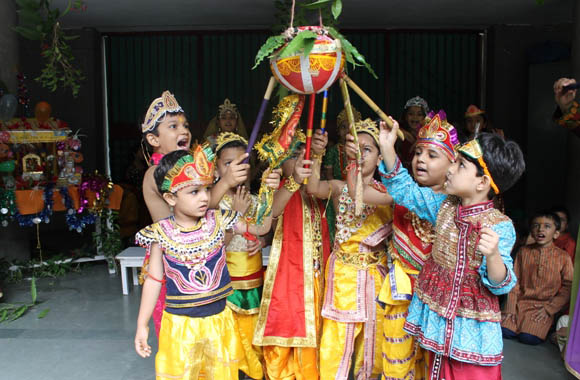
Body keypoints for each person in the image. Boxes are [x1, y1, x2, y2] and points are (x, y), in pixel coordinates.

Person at [378, 121, 525, 379]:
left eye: (460, 165)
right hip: (439, 322)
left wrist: (492, 256)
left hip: (472, 334)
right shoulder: (443, 207)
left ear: (482, 183)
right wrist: (387, 148)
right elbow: (406, 190)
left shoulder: (500, 227)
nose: (450, 169)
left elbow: (500, 285)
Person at [133, 147, 273, 379]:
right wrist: (142, 324)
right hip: (179, 327)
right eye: (194, 192)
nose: (205, 197)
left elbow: (262, 229)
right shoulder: (161, 234)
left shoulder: (218, 222)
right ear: (170, 197)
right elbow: (154, 280)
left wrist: (269, 190)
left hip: (219, 323)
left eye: (207, 189)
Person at [306, 119, 394, 380]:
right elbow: (312, 188)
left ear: (380, 159)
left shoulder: (389, 193)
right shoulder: (337, 187)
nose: (360, 153)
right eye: (356, 146)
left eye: (368, 149)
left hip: (375, 276)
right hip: (343, 273)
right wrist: (317, 156)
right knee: (337, 338)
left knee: (373, 338)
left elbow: (361, 193)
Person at [253, 94, 332, 380]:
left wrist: (318, 157)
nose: (302, 159)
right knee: (289, 314)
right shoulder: (276, 186)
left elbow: (315, 186)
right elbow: (270, 214)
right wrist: (293, 180)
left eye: (306, 152)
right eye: (295, 153)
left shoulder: (316, 188)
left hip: (318, 263)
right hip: (290, 266)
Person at [377, 111, 460, 380]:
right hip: (401, 292)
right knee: (397, 360)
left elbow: (402, 186)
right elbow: (401, 186)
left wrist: (388, 150)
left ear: (453, 165)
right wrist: (387, 149)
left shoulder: (452, 206)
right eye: (417, 153)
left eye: (432, 155)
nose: (420, 160)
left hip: (436, 298)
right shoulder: (405, 196)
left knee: (431, 362)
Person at [214, 131, 272, 380]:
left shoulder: (257, 200)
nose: (236, 168)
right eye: (228, 163)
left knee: (252, 332)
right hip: (227, 285)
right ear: (216, 169)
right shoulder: (212, 204)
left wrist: (261, 240)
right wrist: (236, 215)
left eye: (241, 163)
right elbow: (216, 241)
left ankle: (253, 372)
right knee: (231, 336)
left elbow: (266, 230)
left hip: (254, 280)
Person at [502, 211, 573, 345]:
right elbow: (513, 280)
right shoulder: (524, 251)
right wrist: (510, 307)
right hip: (519, 303)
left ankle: (544, 326)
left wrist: (549, 309)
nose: (540, 229)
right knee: (505, 332)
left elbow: (568, 287)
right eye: (536, 225)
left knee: (528, 338)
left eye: (547, 226)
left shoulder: (563, 257)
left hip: (542, 308)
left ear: (556, 233)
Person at [396, 96, 430, 169]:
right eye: (411, 114)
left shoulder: (431, 136)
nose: (415, 117)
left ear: (425, 118)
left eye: (419, 114)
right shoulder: (399, 132)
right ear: (405, 116)